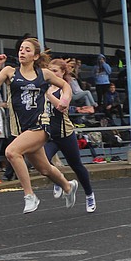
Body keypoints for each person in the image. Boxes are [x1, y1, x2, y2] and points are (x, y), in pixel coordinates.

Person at [0, 37, 78, 214]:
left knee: (11, 152)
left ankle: (30, 195)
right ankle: (68, 186)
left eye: (27, 50)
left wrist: (64, 100)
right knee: (44, 169)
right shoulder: (9, 71)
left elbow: (65, 85)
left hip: (41, 125)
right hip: (23, 129)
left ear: (35, 56)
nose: (22, 52)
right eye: (21, 49)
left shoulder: (43, 74)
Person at [43, 59, 97, 212]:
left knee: (77, 166)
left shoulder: (65, 88)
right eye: (50, 70)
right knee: (43, 163)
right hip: (49, 135)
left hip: (65, 134)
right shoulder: (45, 88)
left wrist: (47, 94)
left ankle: (89, 194)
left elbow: (62, 107)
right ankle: (60, 181)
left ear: (62, 73)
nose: (53, 74)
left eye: (56, 71)